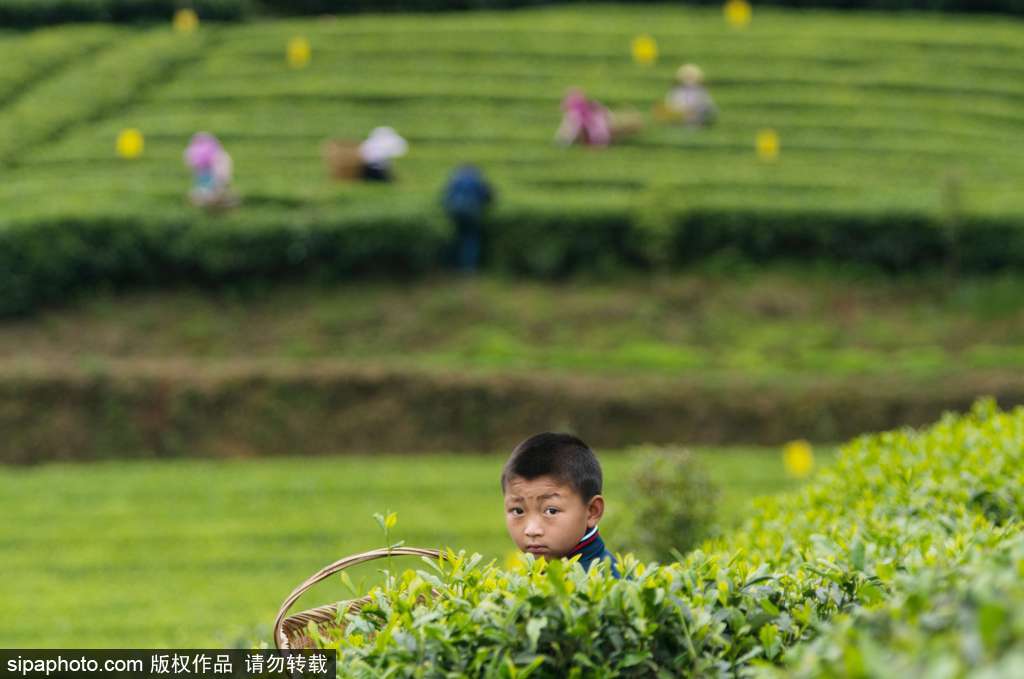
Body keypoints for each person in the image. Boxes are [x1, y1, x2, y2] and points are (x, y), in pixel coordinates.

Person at [501, 432, 620, 577]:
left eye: (551, 511)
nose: (531, 530)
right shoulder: (538, 573)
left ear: (592, 511)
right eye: (518, 511)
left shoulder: (597, 583)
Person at [441, 164, 494, 273]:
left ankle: (452, 265)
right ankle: (468, 268)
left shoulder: (455, 179)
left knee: (456, 238)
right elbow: (488, 196)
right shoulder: (477, 179)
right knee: (471, 239)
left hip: (455, 212)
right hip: (472, 213)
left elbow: (445, 197)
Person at [184, 132, 237, 209]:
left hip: (212, 176)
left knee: (209, 188)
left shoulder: (219, 157)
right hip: (208, 176)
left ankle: (213, 200)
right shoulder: (217, 155)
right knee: (206, 188)